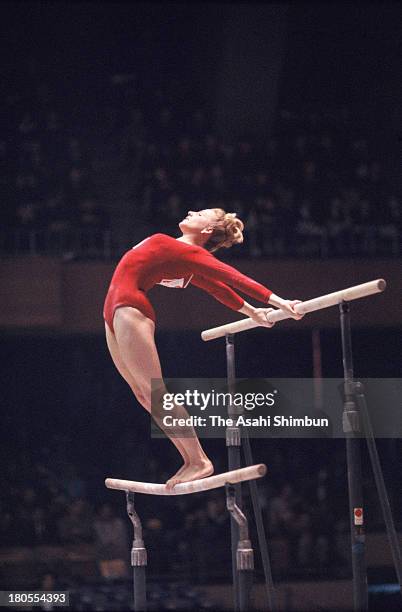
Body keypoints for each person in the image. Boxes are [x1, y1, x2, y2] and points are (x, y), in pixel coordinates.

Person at [103, 208, 303, 489]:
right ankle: (189, 460)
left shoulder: (189, 253)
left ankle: (199, 460)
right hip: (112, 310)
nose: (191, 211)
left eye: (200, 213)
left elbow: (233, 277)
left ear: (207, 230)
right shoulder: (176, 251)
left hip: (130, 307)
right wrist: (251, 312)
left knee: (156, 393)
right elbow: (214, 287)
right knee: (143, 396)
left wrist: (279, 303)